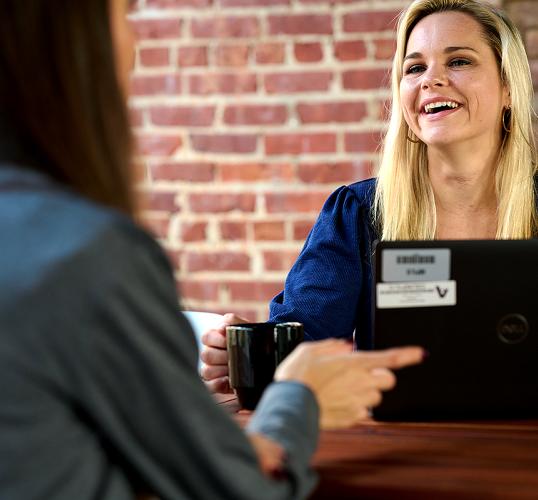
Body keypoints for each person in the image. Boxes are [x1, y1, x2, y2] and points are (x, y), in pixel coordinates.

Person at [0, 0, 424, 499]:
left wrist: (228, 446)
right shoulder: (86, 254)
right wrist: (287, 397)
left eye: (460, 61)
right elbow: (240, 486)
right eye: (125, 15)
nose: (134, 44)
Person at [201, 0, 537, 395]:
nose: (430, 80)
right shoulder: (358, 213)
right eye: (414, 68)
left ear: (508, 88)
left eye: (459, 61)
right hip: (401, 443)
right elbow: (311, 341)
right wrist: (256, 350)